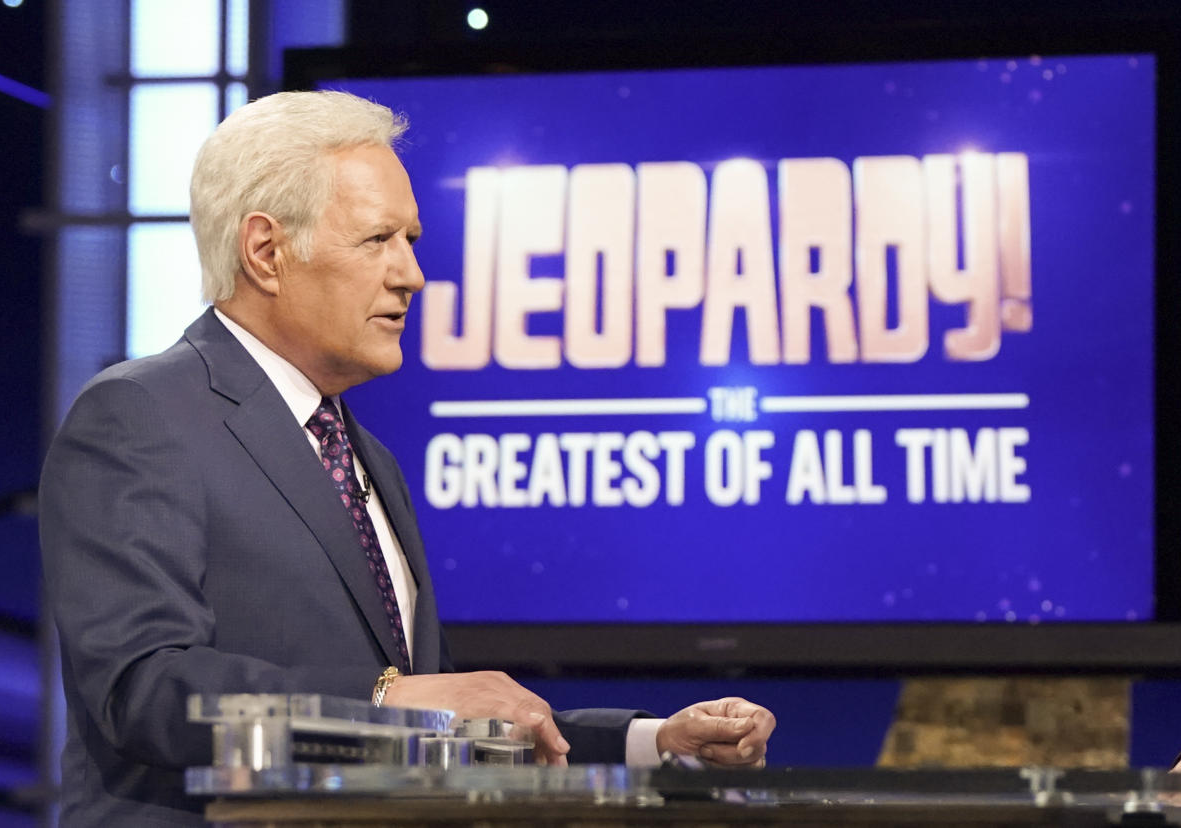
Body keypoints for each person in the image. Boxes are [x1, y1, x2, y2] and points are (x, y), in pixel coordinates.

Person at [39, 90, 775, 827]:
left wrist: (654, 742)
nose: (411, 275)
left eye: (412, 241)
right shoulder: (142, 414)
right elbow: (143, 689)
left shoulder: (369, 459)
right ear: (266, 251)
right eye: (377, 240)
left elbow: (444, 728)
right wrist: (390, 700)